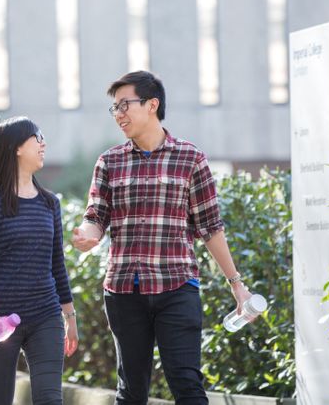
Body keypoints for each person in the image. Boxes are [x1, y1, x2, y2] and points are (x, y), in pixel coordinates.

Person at [72, 71, 251, 405]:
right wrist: (88, 235)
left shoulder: (191, 158)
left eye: (125, 104)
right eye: (114, 108)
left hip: (177, 287)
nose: (119, 114)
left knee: (187, 385)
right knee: (131, 391)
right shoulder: (109, 162)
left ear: (152, 104)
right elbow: (96, 216)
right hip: (124, 289)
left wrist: (235, 283)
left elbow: (210, 227)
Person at [0, 116, 78, 405]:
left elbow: (57, 263)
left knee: (50, 400)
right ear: (16, 147)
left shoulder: (49, 203)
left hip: (45, 315)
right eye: (37, 136)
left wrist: (70, 317)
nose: (43, 143)